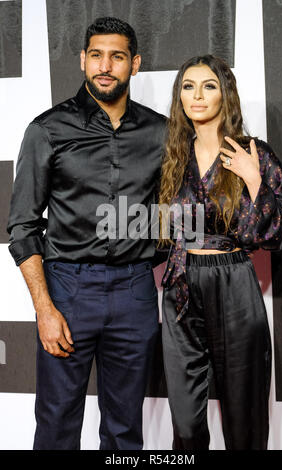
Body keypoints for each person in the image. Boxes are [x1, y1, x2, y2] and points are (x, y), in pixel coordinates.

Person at [7, 17, 166, 450]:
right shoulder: (48, 129)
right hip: (67, 291)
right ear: (82, 60)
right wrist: (44, 307)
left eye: (117, 56)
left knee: (124, 431)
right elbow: (22, 226)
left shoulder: (161, 132)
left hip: (135, 291)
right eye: (96, 55)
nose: (105, 65)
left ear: (134, 64)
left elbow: (177, 210)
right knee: (57, 426)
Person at [159, 55, 282, 450]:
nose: (197, 95)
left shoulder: (255, 153)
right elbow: (157, 230)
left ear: (226, 94)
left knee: (245, 414)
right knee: (184, 421)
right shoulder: (172, 156)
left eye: (209, 86)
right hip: (181, 289)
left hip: (233, 279)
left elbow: (275, 235)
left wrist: (254, 181)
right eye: (188, 86)